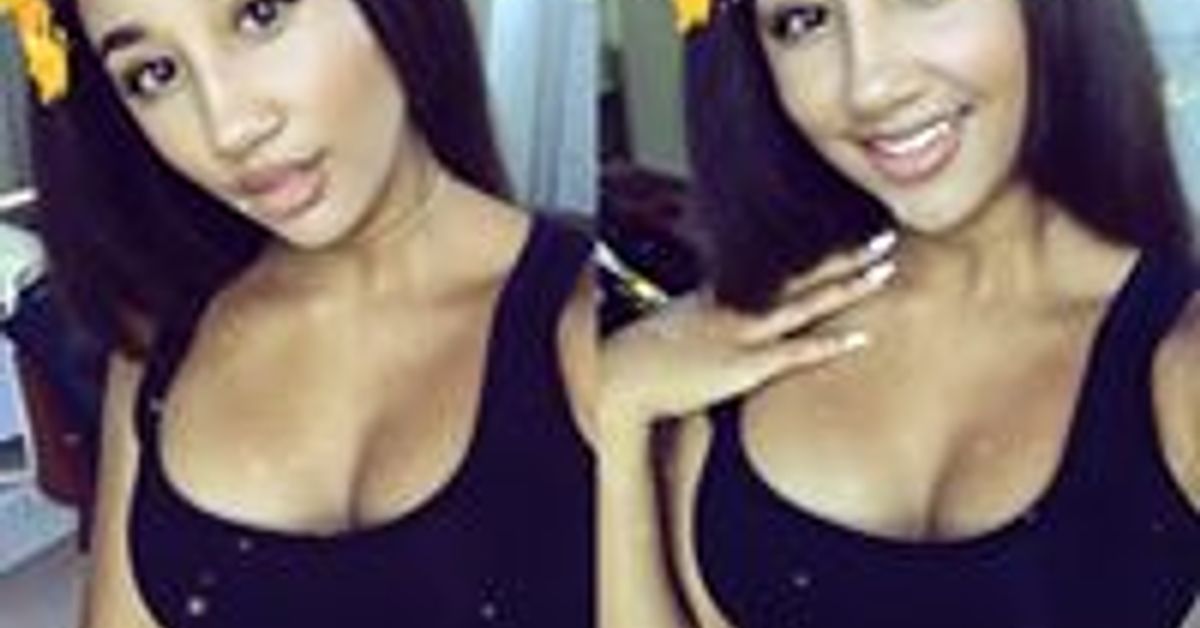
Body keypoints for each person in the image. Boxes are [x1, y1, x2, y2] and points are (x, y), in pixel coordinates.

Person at [601, 0, 1200, 625]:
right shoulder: (732, 350)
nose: (869, 88)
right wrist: (618, 405)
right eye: (802, 20)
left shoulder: (1177, 360)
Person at [22, 0, 595, 624]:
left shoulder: (585, 333)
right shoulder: (162, 343)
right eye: (155, 74)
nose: (229, 129)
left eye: (260, 14)